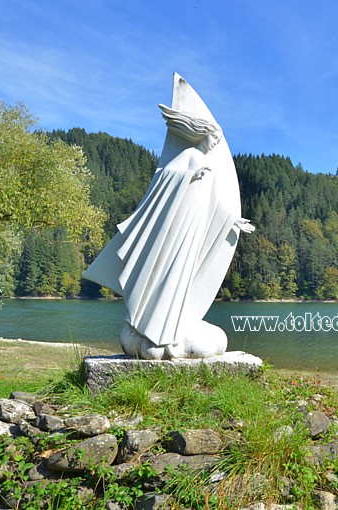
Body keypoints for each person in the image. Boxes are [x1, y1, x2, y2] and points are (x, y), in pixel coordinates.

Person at [83, 73, 253, 359]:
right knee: (167, 269)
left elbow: (213, 204)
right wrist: (189, 176)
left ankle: (171, 325)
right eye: (213, 137)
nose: (214, 143)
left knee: (183, 272)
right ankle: (155, 326)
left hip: (195, 225)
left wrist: (230, 221)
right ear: (203, 134)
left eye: (217, 140)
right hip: (177, 224)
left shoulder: (207, 162)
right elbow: (165, 176)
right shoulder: (191, 157)